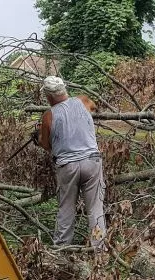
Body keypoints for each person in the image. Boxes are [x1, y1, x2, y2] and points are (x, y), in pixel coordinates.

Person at [36, 76, 107, 251]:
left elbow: (46, 145)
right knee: (95, 210)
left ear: (48, 96)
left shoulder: (48, 116)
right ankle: (99, 249)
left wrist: (38, 135)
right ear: (64, 89)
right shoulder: (83, 101)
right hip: (91, 162)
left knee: (66, 210)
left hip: (67, 167)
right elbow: (95, 107)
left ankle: (61, 250)